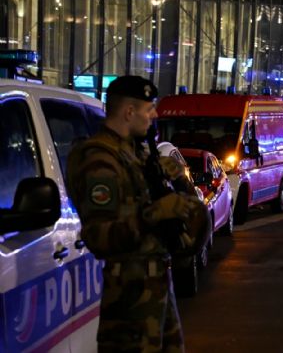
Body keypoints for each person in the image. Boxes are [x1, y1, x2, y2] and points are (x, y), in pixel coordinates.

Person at [66, 75, 205, 352]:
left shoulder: (135, 156)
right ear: (129, 112)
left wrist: (178, 179)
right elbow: (99, 237)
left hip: (156, 287)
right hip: (129, 298)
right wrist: (155, 214)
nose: (154, 115)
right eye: (149, 108)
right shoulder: (100, 160)